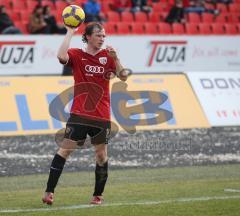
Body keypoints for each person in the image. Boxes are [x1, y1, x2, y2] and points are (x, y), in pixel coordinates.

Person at [42, 22, 129, 205]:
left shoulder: (108, 56)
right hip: (79, 114)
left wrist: (117, 58)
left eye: (104, 36)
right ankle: (49, 192)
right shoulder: (76, 54)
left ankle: (97, 195)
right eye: (98, 35)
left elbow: (123, 76)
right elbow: (60, 56)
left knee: (101, 155)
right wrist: (69, 32)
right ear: (88, 36)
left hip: (101, 115)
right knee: (65, 150)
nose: (102, 39)